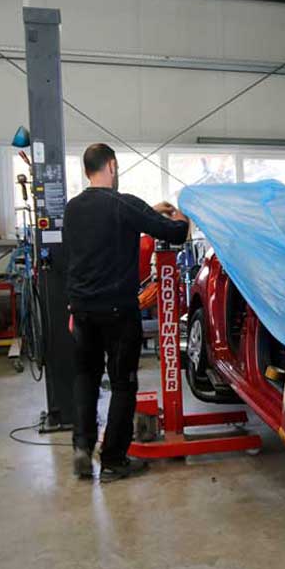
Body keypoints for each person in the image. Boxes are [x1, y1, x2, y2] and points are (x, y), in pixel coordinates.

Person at [63, 143, 190, 482]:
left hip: (82, 310)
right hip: (118, 313)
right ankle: (113, 461)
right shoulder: (123, 204)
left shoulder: (73, 208)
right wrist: (183, 216)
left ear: (86, 170)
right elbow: (175, 233)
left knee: (86, 378)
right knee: (122, 384)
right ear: (113, 166)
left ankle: (81, 446)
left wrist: (148, 210)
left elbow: (95, 234)